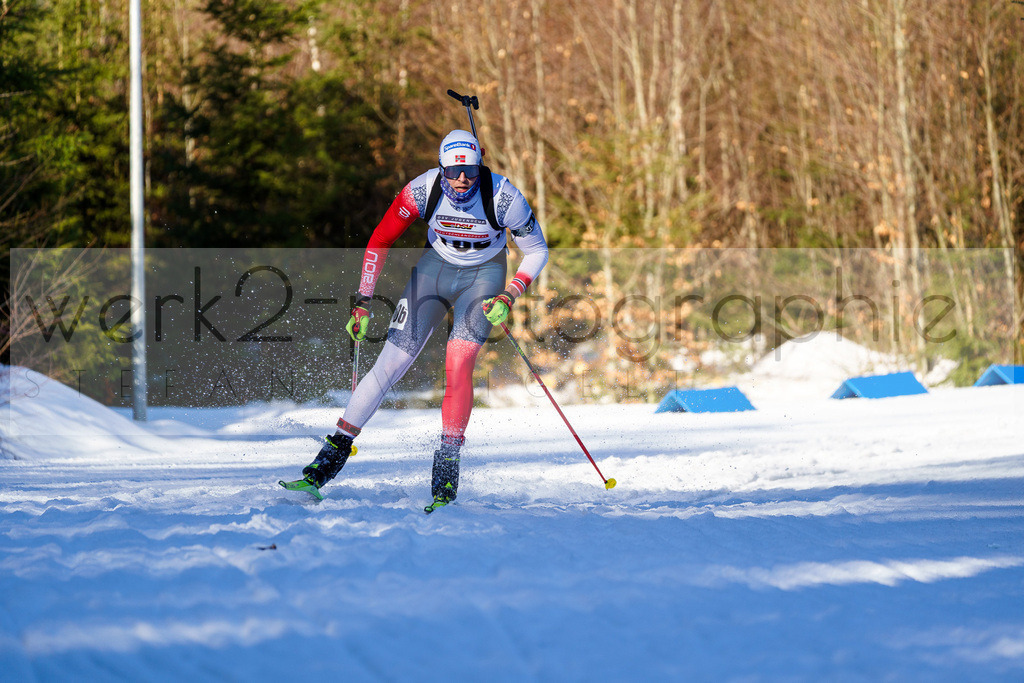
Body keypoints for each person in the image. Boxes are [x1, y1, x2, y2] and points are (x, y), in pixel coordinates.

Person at [297, 129, 549, 509]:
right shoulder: (420, 191)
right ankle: (327, 463)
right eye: (453, 172)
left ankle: (446, 471)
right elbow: (380, 240)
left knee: (458, 362)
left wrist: (511, 293)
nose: (462, 180)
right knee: (391, 362)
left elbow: (536, 250)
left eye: (469, 171)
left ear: (479, 166)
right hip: (434, 270)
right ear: (441, 168)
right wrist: (363, 301)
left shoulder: (503, 196)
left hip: (485, 276)